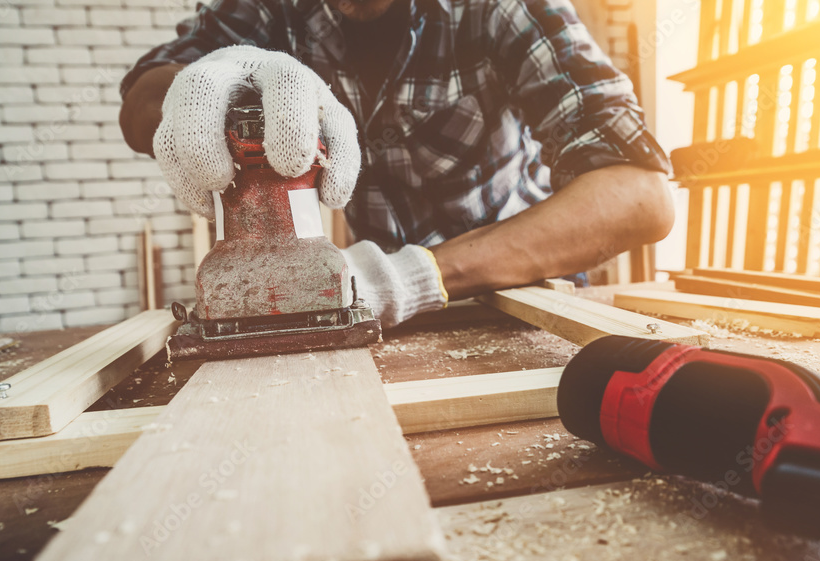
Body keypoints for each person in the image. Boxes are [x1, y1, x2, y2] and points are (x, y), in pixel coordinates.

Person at [119, 0, 675, 327]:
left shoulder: (495, 10)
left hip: (520, 299)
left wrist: (411, 276)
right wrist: (206, 81)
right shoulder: (274, 11)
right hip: (375, 312)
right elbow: (143, 101)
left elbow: (640, 197)